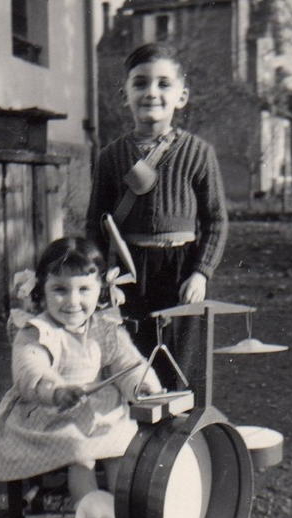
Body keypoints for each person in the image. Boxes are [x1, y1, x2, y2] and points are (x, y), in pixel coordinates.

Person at [86, 42, 228, 393]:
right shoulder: (110, 157)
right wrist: (100, 274)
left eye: (164, 83)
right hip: (129, 271)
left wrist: (201, 272)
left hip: (181, 270)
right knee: (132, 360)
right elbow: (95, 224)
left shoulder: (199, 153)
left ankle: (181, 425)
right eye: (141, 83)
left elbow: (215, 221)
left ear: (182, 96)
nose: (152, 92)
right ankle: (137, 426)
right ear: (125, 95)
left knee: (181, 361)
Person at [0, 237, 162, 511]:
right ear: (42, 290)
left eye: (84, 289)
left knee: (121, 453)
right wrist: (56, 390)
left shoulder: (104, 328)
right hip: (51, 413)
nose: (73, 301)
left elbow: (127, 362)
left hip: (99, 413)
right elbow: (30, 369)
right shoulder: (36, 331)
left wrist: (140, 384)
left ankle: (125, 515)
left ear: (100, 290)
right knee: (81, 456)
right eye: (60, 289)